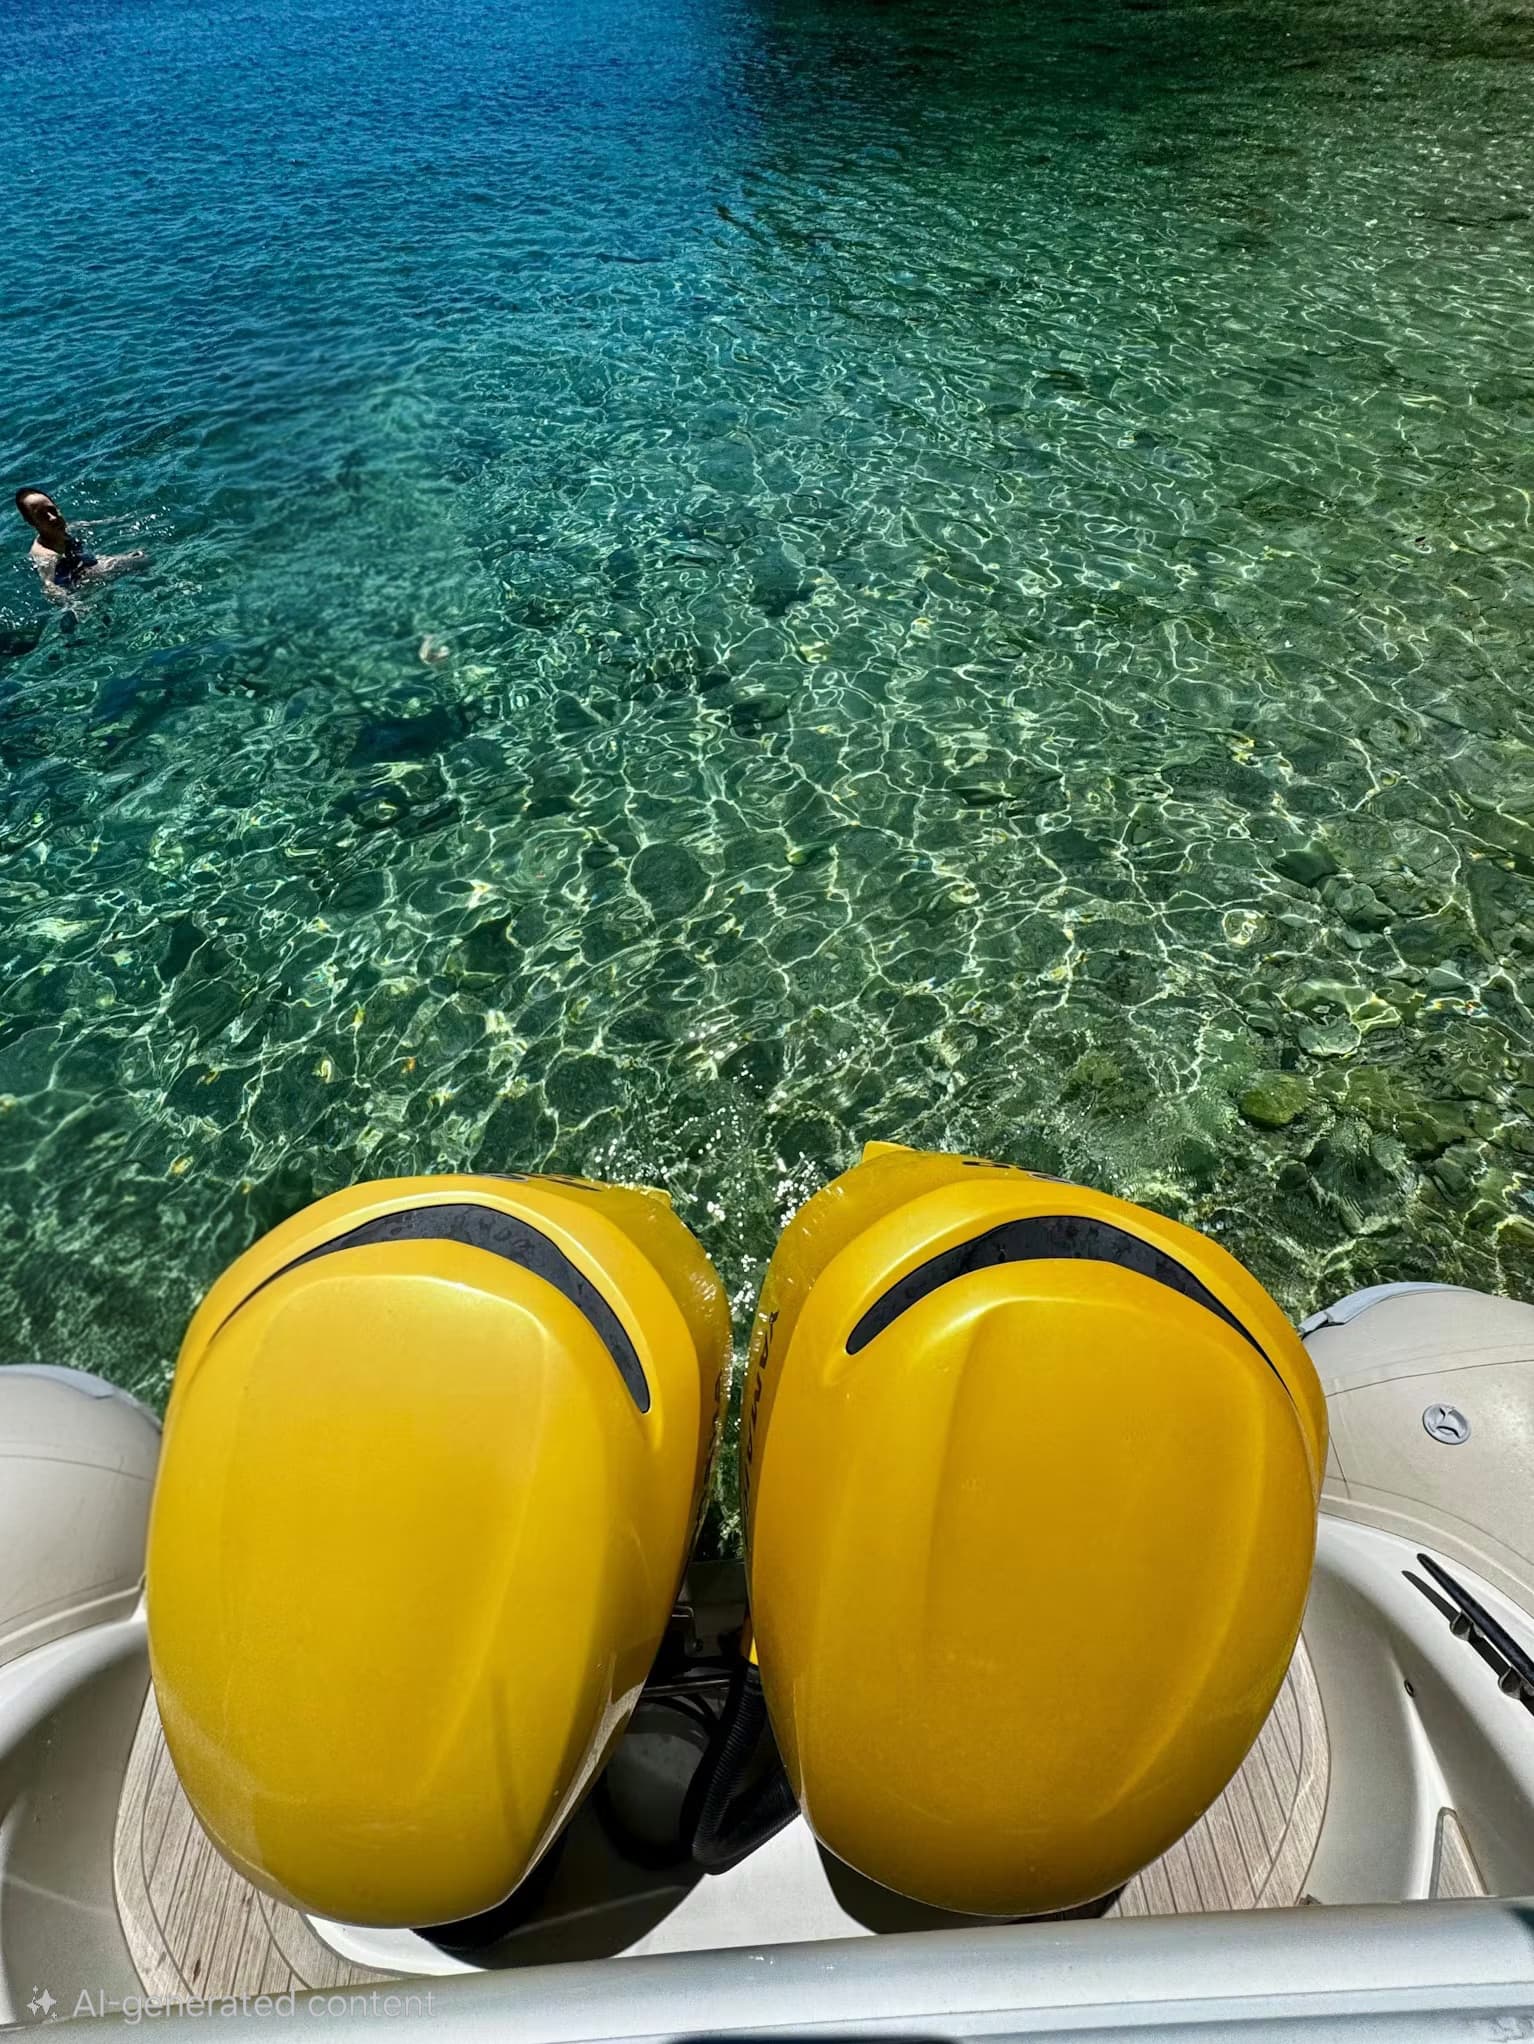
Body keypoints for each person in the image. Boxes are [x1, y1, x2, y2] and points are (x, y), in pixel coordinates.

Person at [14, 488, 147, 598]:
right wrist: (73, 605)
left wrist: (129, 518)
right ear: (31, 522)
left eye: (52, 510)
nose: (53, 518)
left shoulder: (64, 529)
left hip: (89, 567)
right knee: (140, 560)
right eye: (43, 516)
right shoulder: (45, 554)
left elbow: (97, 524)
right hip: (79, 586)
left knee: (140, 558)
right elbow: (49, 586)